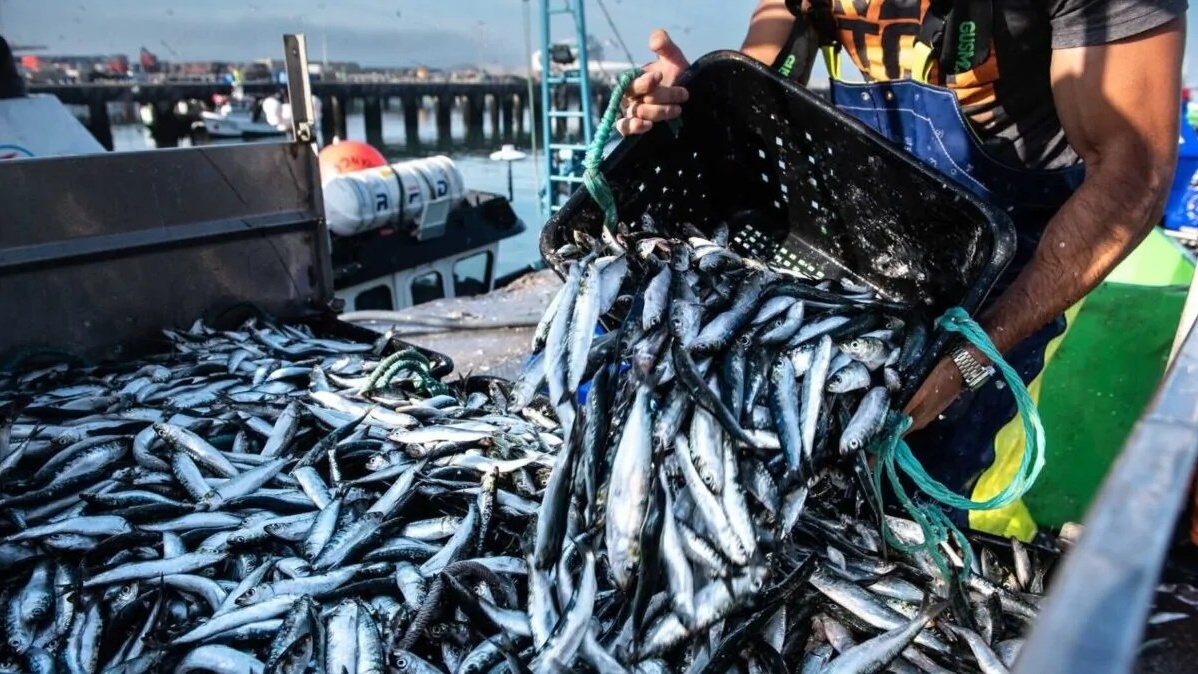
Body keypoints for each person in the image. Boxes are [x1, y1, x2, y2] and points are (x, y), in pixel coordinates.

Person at [617, 0, 1186, 539]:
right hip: (861, 248)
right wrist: (699, 105)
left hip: (1015, 279)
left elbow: (1132, 170)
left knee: (932, 502)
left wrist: (971, 356)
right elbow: (780, 35)